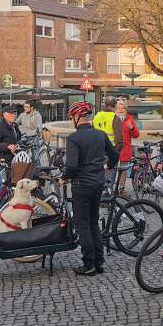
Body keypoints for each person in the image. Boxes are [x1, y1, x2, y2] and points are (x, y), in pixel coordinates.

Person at [61, 101, 119, 276]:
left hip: (81, 185)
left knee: (82, 225)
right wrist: (107, 166)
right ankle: (99, 262)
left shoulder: (73, 138)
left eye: (72, 117)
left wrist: (63, 178)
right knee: (94, 222)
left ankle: (89, 264)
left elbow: (72, 166)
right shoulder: (100, 135)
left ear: (77, 118)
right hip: (98, 184)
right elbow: (115, 155)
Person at [115, 100, 140, 194]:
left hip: (125, 149)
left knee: (123, 170)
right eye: (118, 108)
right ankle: (109, 188)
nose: (120, 110)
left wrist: (132, 128)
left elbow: (136, 135)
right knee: (111, 169)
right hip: (113, 149)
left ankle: (121, 188)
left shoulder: (129, 119)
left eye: (122, 108)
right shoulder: (113, 119)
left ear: (125, 110)